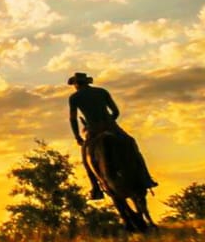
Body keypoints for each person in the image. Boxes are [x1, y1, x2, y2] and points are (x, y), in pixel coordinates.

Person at [67, 72, 157, 200]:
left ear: (76, 84)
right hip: (112, 126)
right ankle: (146, 178)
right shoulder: (102, 92)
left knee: (86, 159)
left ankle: (96, 189)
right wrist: (109, 121)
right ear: (87, 82)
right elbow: (116, 111)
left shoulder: (74, 97)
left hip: (93, 130)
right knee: (131, 144)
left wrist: (77, 136)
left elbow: (73, 119)